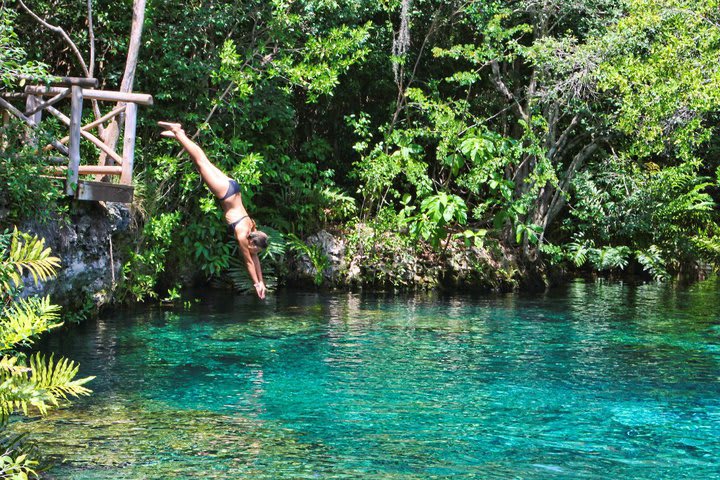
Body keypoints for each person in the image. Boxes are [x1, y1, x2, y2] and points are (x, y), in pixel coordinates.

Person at [158, 121, 268, 299]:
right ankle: (178, 132)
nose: (255, 254)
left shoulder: (252, 230)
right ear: (252, 243)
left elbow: (254, 258)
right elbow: (248, 261)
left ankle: (180, 136)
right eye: (256, 250)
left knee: (203, 161)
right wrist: (256, 283)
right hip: (225, 193)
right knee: (201, 163)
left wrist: (261, 281)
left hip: (233, 187)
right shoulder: (242, 234)